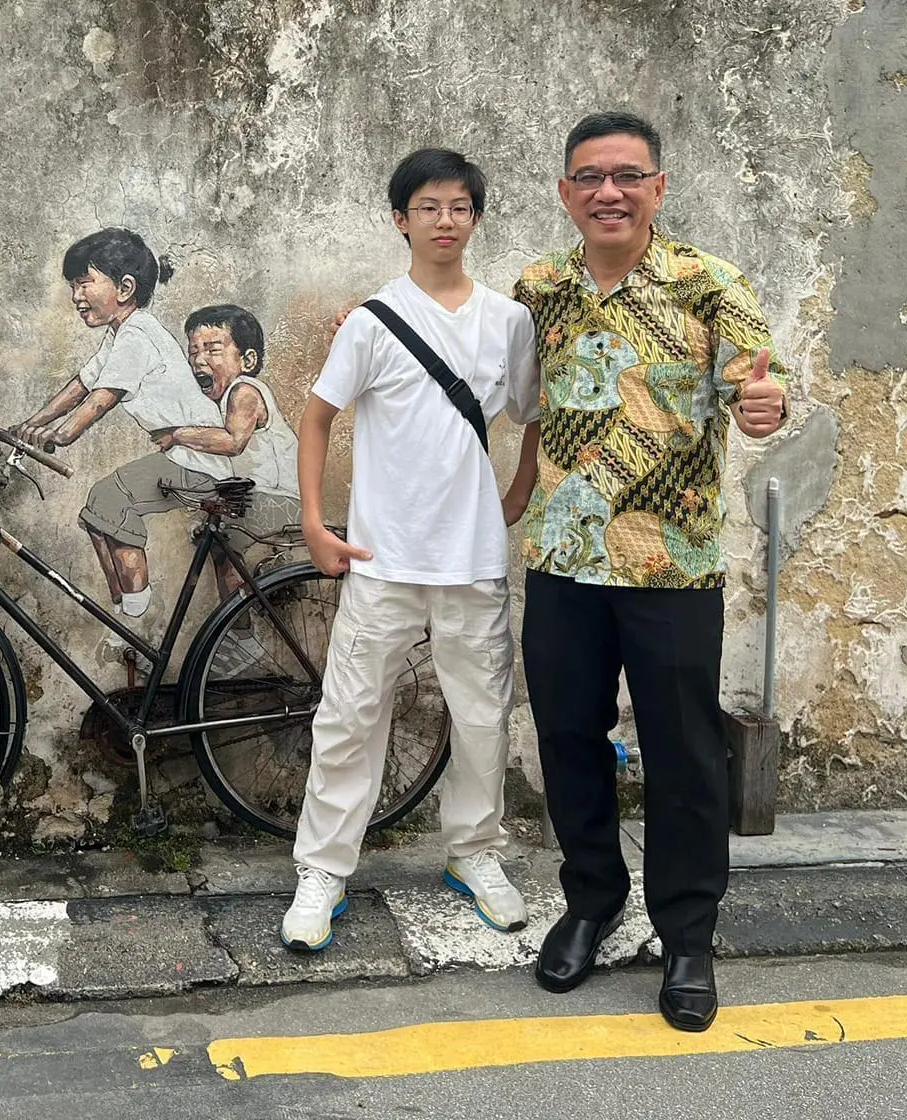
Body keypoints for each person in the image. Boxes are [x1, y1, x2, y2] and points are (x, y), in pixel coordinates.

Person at [504, 110, 787, 1033]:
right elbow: (521, 395)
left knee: (684, 753)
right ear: (565, 192)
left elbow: (760, 385)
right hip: (563, 557)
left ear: (659, 188)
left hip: (674, 563)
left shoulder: (711, 284)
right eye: (589, 176)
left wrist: (760, 407)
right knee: (568, 736)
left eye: (627, 175)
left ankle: (689, 934)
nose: (608, 192)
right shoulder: (537, 288)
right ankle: (591, 900)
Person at [283, 148, 541, 952]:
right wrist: (316, 521)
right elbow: (318, 416)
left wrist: (521, 487)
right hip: (381, 558)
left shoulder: (509, 320)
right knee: (351, 717)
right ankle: (323, 871)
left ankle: (474, 853)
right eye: (427, 207)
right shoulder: (371, 320)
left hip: (471, 559)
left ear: (475, 218)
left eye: (459, 207)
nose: (444, 221)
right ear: (401, 219)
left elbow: (532, 412)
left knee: (481, 717)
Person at [16, 229, 234, 620]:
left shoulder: (138, 334)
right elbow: (81, 386)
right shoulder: (120, 335)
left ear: (125, 287)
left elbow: (102, 399)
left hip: (197, 458)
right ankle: (122, 606)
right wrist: (29, 424)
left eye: (84, 283)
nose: (76, 296)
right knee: (96, 514)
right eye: (72, 286)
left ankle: (136, 607)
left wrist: (61, 434)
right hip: (183, 457)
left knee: (109, 498)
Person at [157, 304, 303, 593]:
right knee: (220, 548)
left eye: (212, 350)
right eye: (193, 351)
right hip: (259, 497)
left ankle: (243, 627)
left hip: (281, 500)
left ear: (247, 360)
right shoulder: (221, 400)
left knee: (223, 540)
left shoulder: (244, 390)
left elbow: (233, 442)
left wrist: (177, 435)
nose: (199, 360)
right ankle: (244, 621)